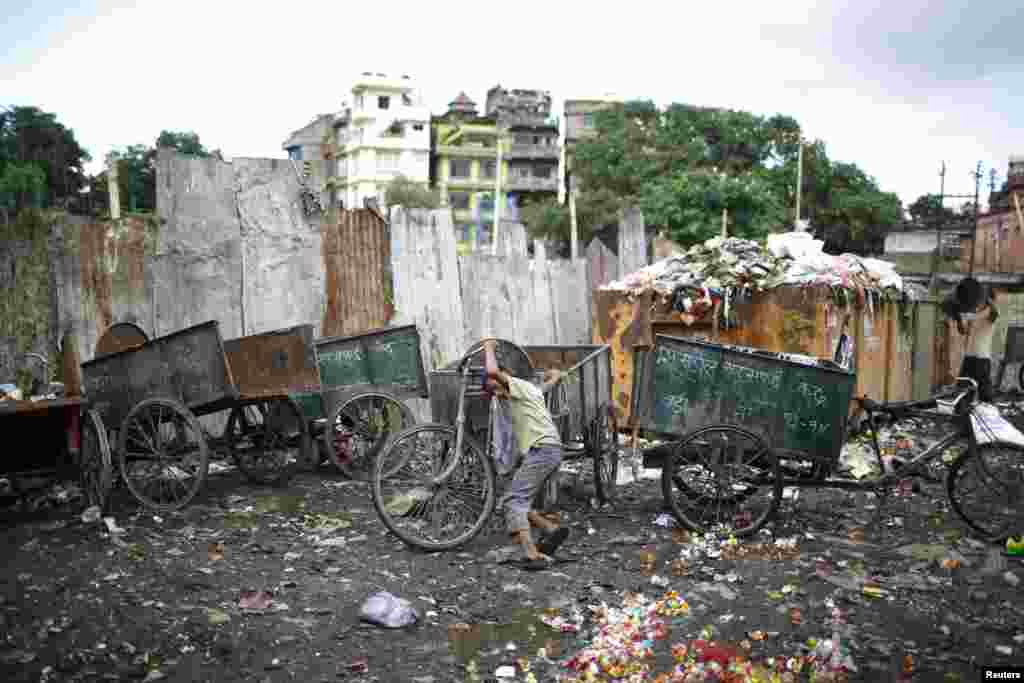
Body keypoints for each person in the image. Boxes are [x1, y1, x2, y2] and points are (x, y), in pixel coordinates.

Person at [481, 338, 569, 567]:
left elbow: (491, 370)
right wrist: (555, 377)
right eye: (493, 393)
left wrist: (488, 347)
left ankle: (532, 554)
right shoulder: (531, 390)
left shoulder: (516, 386)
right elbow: (548, 386)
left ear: (506, 377)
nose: (497, 395)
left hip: (543, 450)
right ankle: (551, 529)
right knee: (513, 498)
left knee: (515, 501)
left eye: (496, 388)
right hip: (550, 450)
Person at [946, 283, 999, 403]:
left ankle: (989, 416)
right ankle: (964, 414)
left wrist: (989, 300)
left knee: (985, 393)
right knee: (963, 389)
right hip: (969, 357)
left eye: (981, 295)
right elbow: (963, 331)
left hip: (982, 359)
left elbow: (995, 313)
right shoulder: (975, 314)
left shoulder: (990, 312)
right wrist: (958, 320)